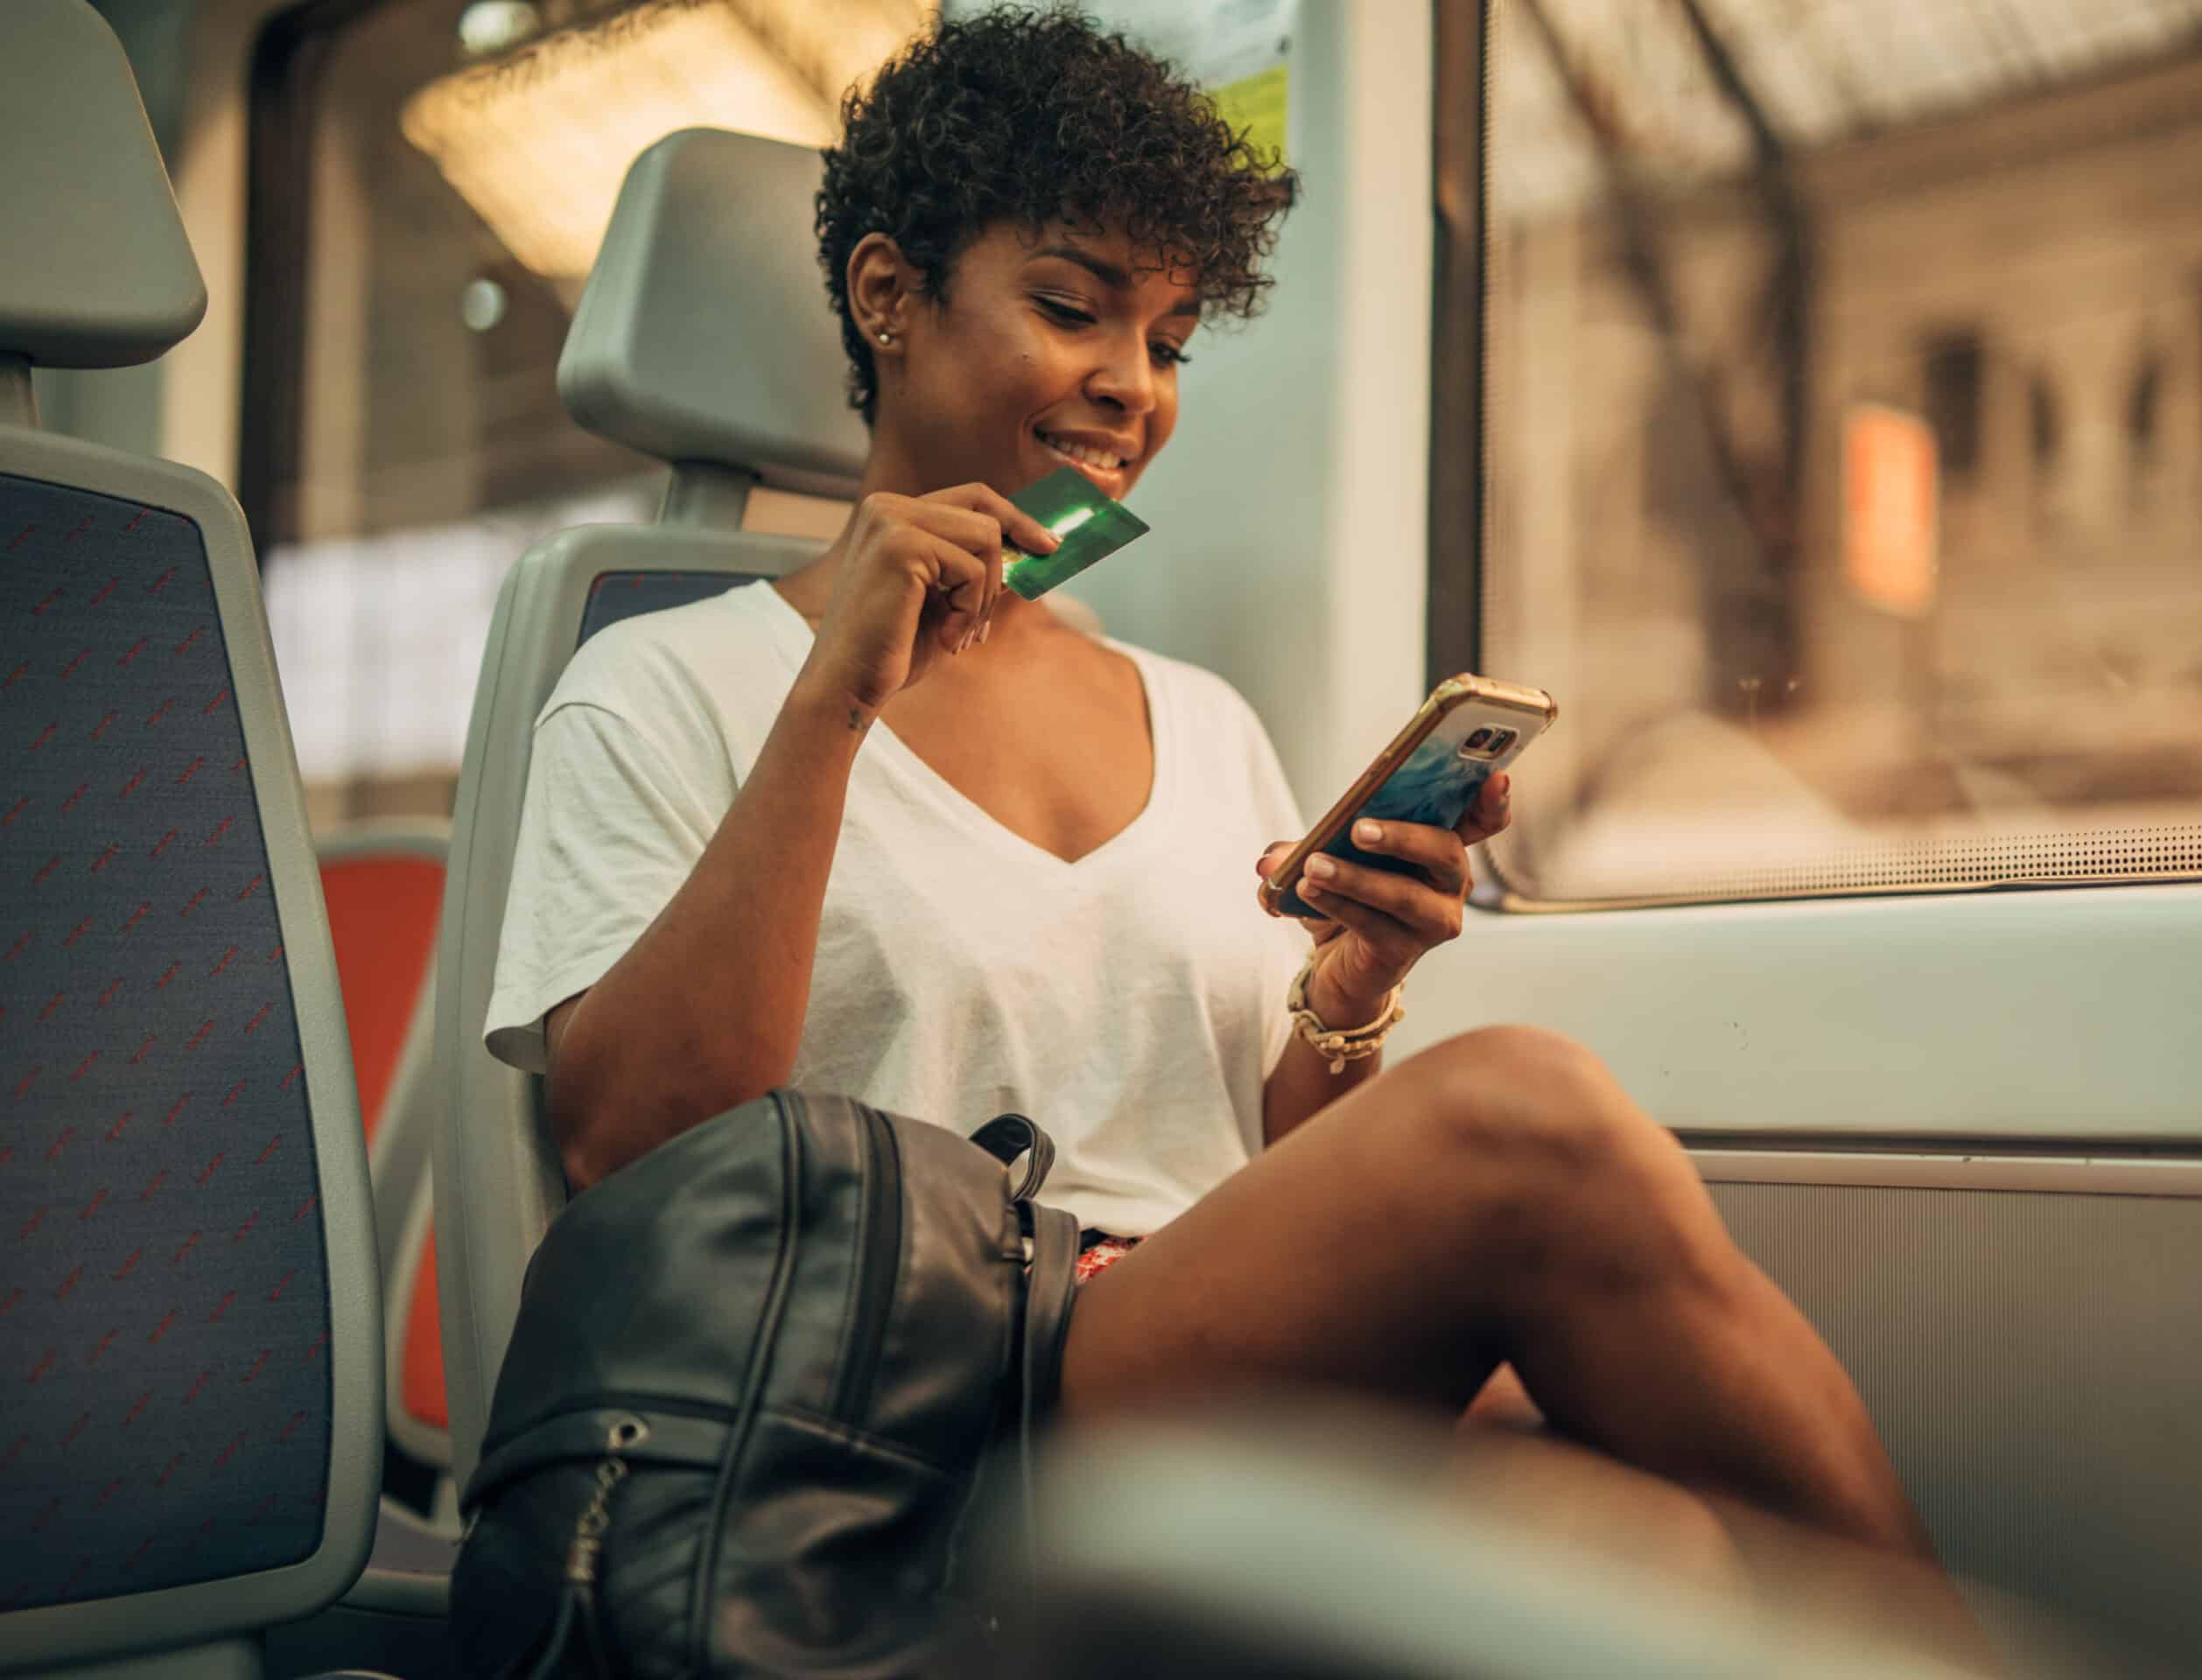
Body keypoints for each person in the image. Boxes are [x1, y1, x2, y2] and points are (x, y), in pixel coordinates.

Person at [483, 4, 1966, 1639]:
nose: (1131, 387)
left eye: (1172, 340)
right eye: (1072, 309)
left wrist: (1345, 1001)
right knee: (1529, 1112)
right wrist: (834, 705)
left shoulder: (1192, 714)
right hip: (914, 1403)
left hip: (1181, 1351)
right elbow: (637, 1158)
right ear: (888, 294)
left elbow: (1259, 1175)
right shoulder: (664, 687)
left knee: (1658, 1557)